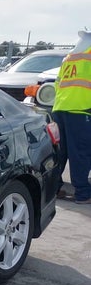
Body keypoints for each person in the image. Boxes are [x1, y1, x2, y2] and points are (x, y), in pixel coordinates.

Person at [52, 30, 91, 204]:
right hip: (81, 109)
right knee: (80, 153)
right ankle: (83, 193)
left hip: (60, 108)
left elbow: (56, 84)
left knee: (61, 153)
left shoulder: (69, 57)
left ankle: (55, 188)